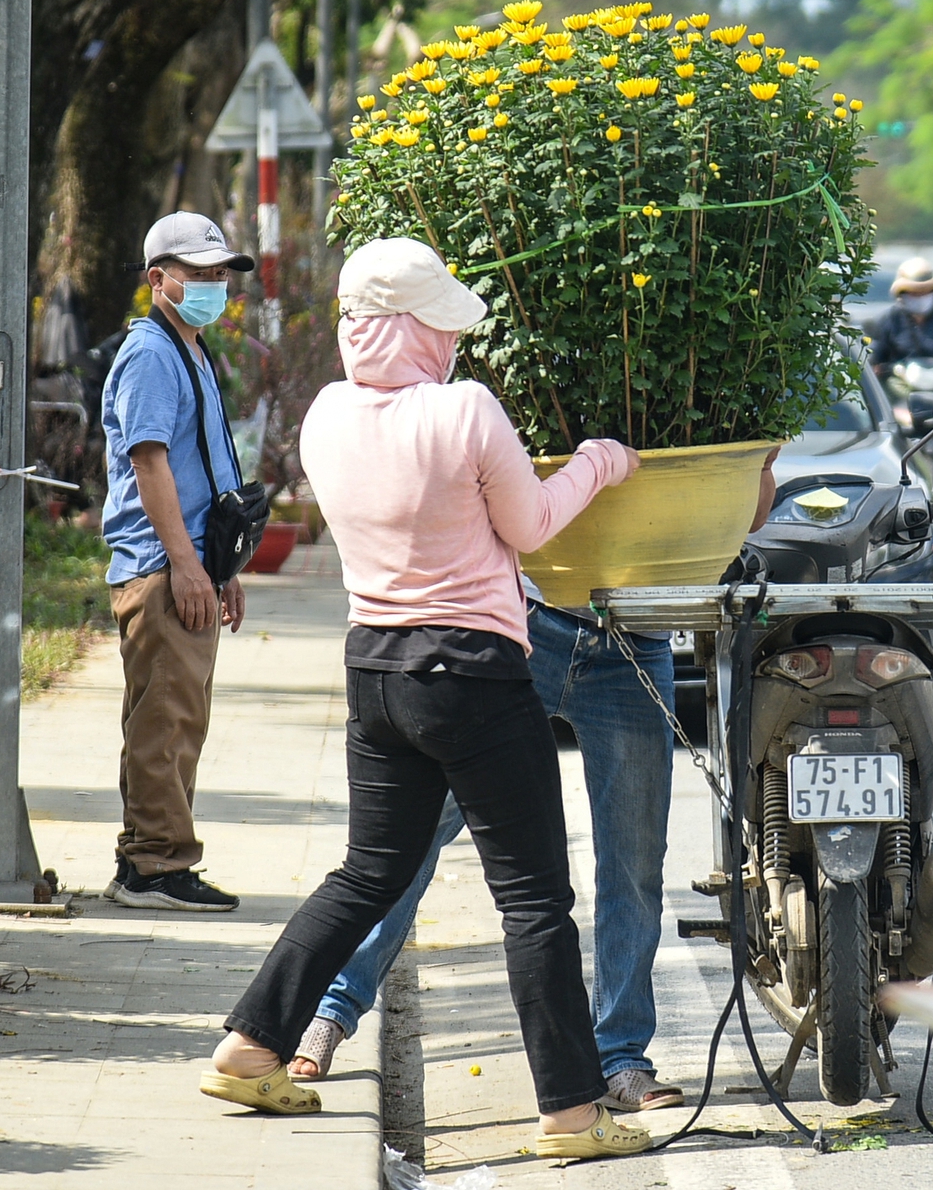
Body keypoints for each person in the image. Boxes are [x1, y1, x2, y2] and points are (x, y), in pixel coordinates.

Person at [202, 237, 653, 1161]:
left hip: (374, 671)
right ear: (409, 328)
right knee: (533, 897)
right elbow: (528, 526)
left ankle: (250, 1047)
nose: (452, 340)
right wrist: (600, 463)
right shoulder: (464, 410)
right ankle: (573, 1112)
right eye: (441, 323)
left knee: (367, 874)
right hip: (473, 672)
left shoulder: (325, 414)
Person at [284, 455, 779, 1116]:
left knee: (633, 863)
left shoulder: (689, 395)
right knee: (419, 829)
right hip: (529, 626)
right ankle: (335, 1007)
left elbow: (744, 512)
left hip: (634, 643)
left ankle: (621, 1058)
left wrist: (757, 468)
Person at [99, 212, 254, 913]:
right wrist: (187, 566)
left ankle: (154, 855)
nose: (215, 286)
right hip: (163, 568)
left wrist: (223, 567)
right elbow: (151, 461)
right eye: (199, 275)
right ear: (158, 279)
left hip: (188, 563)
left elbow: (199, 471)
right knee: (165, 719)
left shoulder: (188, 347)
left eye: (221, 274)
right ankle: (154, 866)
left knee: (178, 717)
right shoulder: (153, 353)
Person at [868, 255, 933, 382]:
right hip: (898, 392)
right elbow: (874, 358)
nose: (920, 297)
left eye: (925, 292)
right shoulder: (888, 320)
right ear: (901, 294)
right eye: (914, 293)